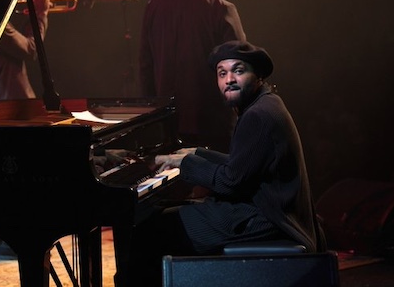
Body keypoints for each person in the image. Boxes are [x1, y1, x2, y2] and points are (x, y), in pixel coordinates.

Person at [116, 40, 324, 287]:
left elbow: (230, 182)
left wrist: (186, 164)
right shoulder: (266, 103)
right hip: (271, 210)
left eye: (238, 70)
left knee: (150, 229)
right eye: (222, 73)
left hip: (267, 219)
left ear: (257, 75)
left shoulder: (257, 115)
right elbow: (244, 167)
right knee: (163, 217)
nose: (229, 80)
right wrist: (197, 153)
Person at [138, 0, 247, 154]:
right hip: (213, 128)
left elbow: (146, 69)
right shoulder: (221, 9)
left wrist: (155, 120)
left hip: (168, 126)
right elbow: (239, 70)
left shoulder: (155, 7)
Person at [0, 0, 52, 260]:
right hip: (16, 105)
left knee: (2, 174)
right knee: (24, 176)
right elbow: (31, 49)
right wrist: (40, 13)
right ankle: (15, 242)